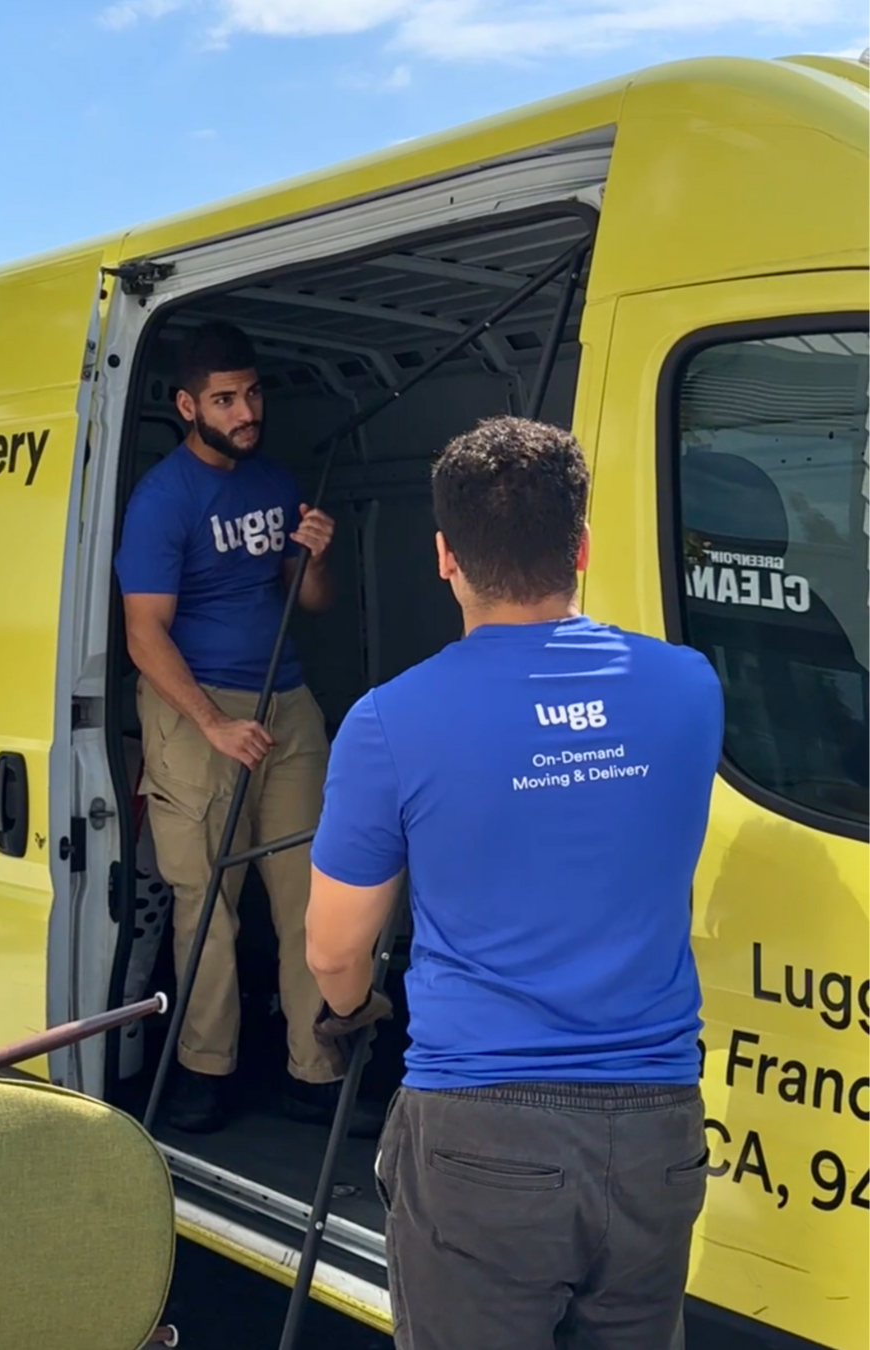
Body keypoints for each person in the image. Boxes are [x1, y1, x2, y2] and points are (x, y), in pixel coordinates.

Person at [306, 416, 724, 1349]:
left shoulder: (387, 723)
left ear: (445, 557)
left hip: (482, 1135)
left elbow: (334, 949)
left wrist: (353, 1010)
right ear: (580, 546)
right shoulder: (690, 687)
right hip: (658, 1129)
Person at [115, 320, 379, 1137]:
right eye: (225, 399)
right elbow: (143, 635)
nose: (246, 409)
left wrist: (318, 557)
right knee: (209, 901)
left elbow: (311, 602)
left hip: (287, 703)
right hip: (195, 710)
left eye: (253, 392)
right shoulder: (163, 499)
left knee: (311, 888)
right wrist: (213, 724)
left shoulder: (273, 481)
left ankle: (316, 1068)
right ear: (188, 405)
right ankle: (203, 1070)